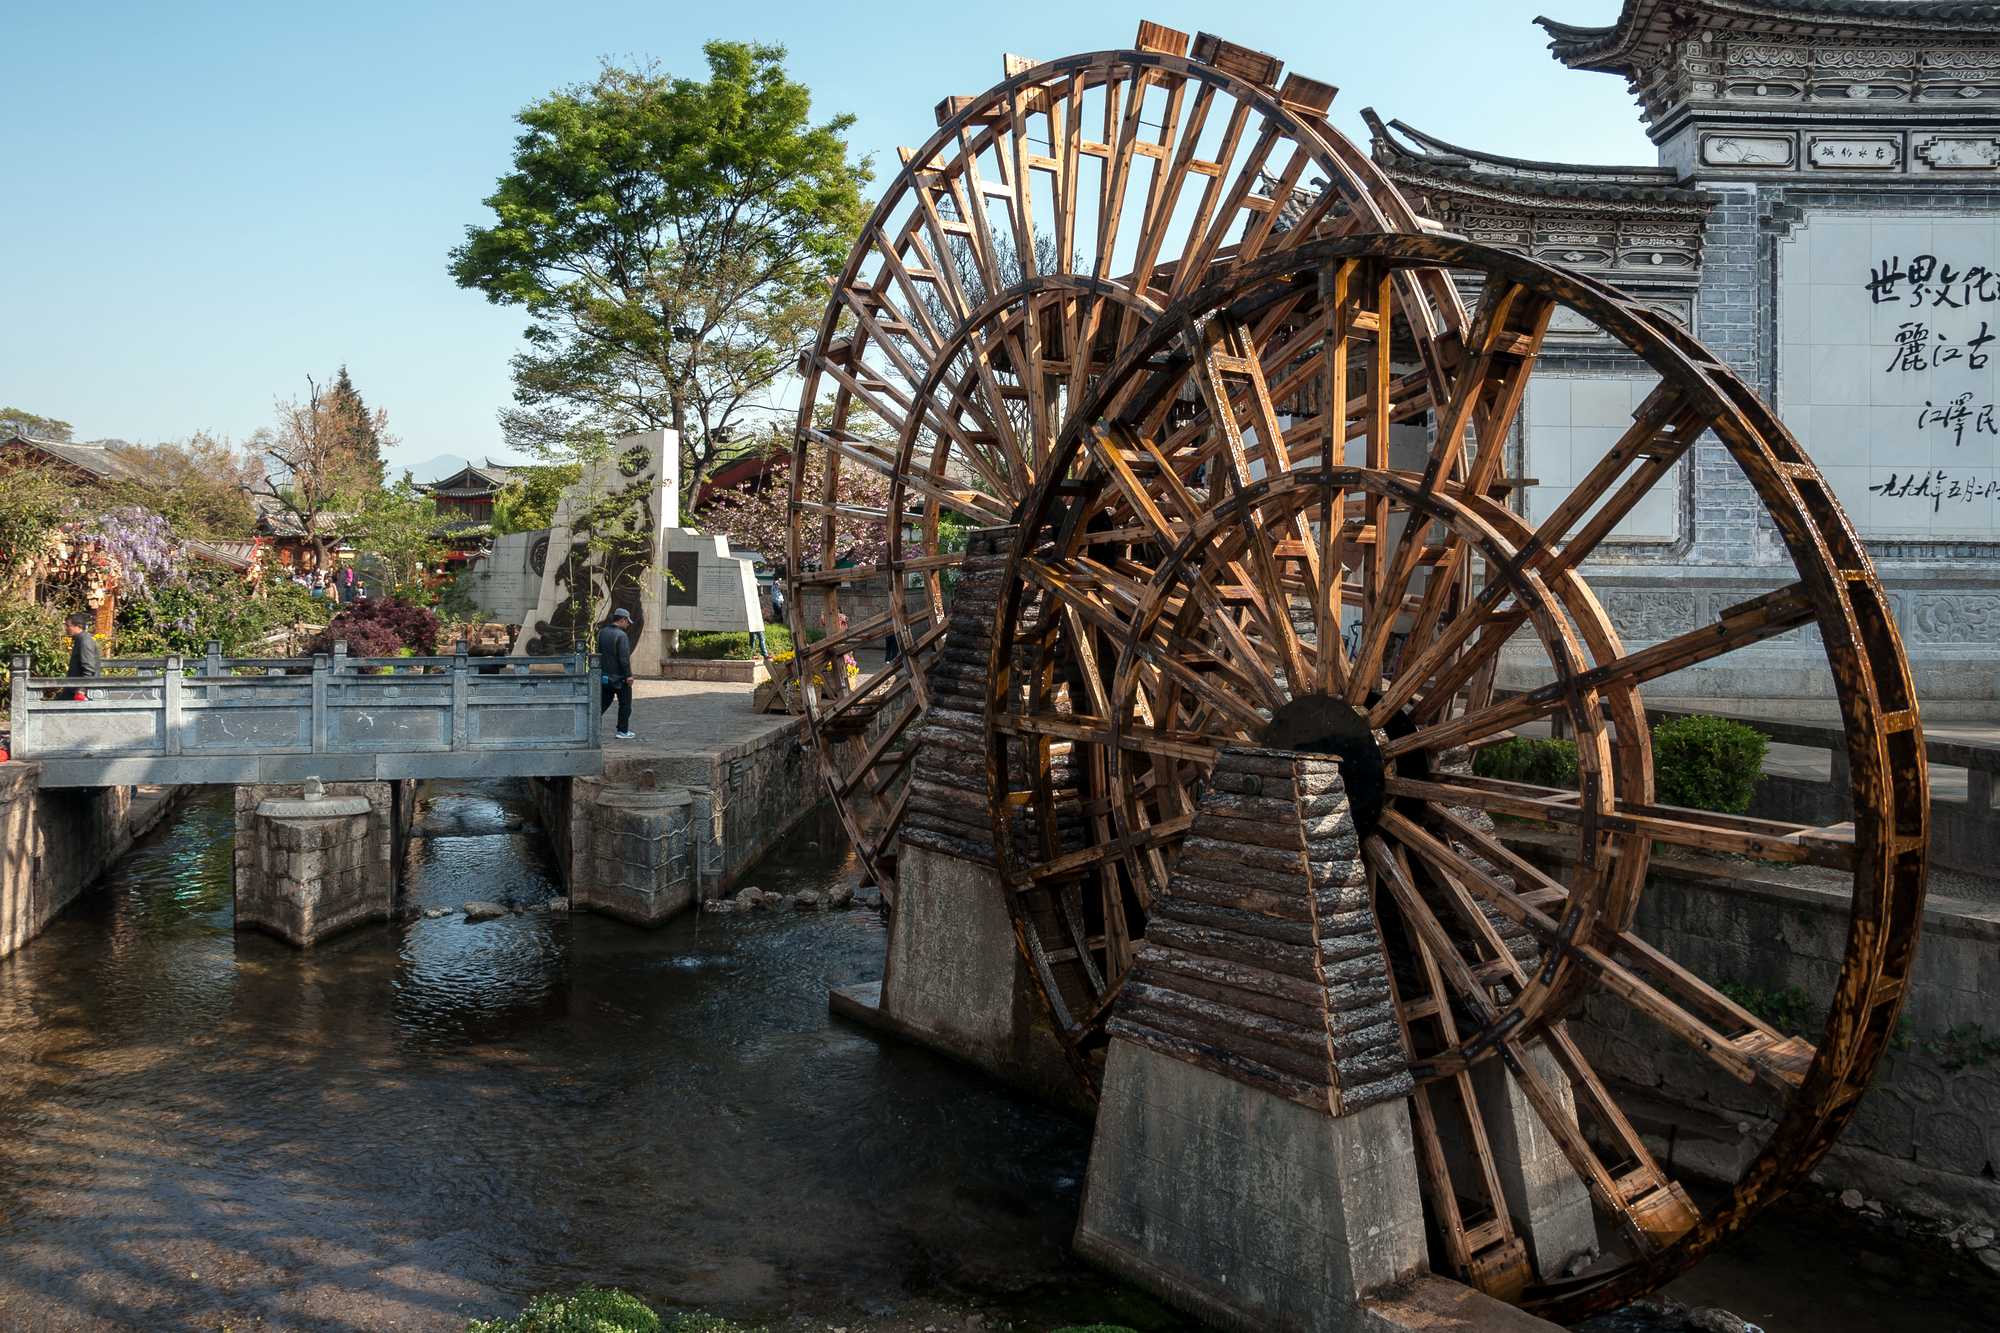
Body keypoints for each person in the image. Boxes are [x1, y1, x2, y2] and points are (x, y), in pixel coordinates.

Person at [596, 608, 638, 740]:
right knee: (625, 704)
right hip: (620, 678)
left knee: (602, 704)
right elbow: (624, 659)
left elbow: (599, 654)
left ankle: (590, 725)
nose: (628, 624)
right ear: (623, 620)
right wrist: (628, 676)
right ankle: (622, 730)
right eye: (627, 621)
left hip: (605, 676)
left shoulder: (602, 633)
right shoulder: (621, 636)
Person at [63, 612, 100, 701]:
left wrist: (82, 689)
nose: (66, 629)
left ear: (78, 626)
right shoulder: (80, 639)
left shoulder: (85, 641)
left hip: (80, 691)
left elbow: (89, 668)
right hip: (73, 688)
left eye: (68, 626)